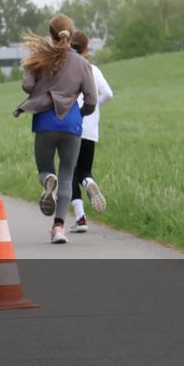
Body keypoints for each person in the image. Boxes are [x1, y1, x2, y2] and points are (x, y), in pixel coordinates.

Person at [14, 14, 98, 244]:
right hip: (71, 123)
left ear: (50, 34)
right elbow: (92, 99)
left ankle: (47, 181)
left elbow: (27, 85)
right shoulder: (82, 64)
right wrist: (80, 114)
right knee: (68, 174)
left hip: (44, 122)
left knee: (46, 170)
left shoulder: (40, 58)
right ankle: (59, 227)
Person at [68, 30, 113, 232]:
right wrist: (93, 108)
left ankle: (81, 218)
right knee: (84, 169)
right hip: (90, 127)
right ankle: (88, 183)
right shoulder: (94, 70)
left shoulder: (66, 69)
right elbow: (108, 94)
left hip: (70, 126)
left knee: (69, 172)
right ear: (87, 49)